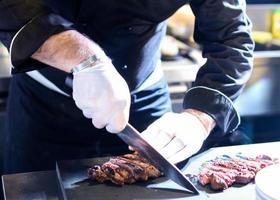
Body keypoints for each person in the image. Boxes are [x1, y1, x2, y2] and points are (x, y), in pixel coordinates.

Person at [0, 0, 254, 174]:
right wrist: (85, 60)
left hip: (146, 106)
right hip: (43, 109)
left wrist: (199, 119)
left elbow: (231, 36)